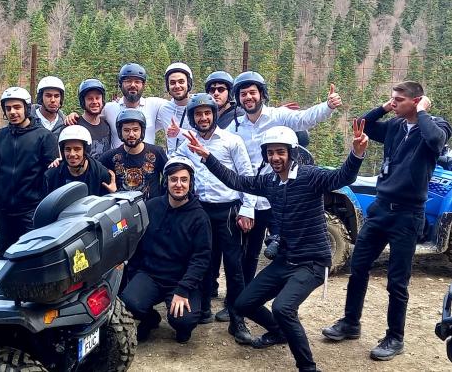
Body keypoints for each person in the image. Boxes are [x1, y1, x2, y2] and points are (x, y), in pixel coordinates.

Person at [184, 122, 368, 372]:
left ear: (292, 152)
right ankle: (278, 332)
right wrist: (207, 157)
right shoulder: (270, 181)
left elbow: (342, 176)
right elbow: (236, 180)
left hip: (312, 262)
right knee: (242, 303)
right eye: (270, 152)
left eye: (280, 152)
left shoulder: (310, 176)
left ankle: (308, 367)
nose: (275, 157)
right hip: (285, 260)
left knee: (283, 308)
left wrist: (356, 153)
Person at [322, 82, 452, 361]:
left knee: (397, 281)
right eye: (391, 99)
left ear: (416, 101)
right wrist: (383, 107)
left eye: (398, 100)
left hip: (408, 214)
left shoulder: (436, 125)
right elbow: (362, 124)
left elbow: (435, 142)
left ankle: (395, 337)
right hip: (381, 209)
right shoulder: (394, 126)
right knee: (358, 268)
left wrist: (423, 112)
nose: (393, 103)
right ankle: (350, 323)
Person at [228, 71, 342, 300]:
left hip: (280, 194)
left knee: (284, 250)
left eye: (253, 92)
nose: (248, 97)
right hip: (252, 194)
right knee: (247, 253)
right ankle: (242, 299)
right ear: (238, 98)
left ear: (262, 94)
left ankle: (284, 302)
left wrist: (327, 107)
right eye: (243, 94)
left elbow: (304, 119)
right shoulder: (235, 126)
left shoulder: (277, 115)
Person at [174, 92, 256, 342]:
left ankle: (237, 319)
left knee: (234, 266)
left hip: (228, 209)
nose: (203, 117)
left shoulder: (231, 140)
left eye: (207, 113)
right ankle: (204, 310)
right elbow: (175, 165)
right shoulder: (186, 143)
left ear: (214, 115)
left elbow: (246, 175)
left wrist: (248, 208)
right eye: (198, 114)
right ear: (193, 117)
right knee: (203, 261)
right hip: (200, 210)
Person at [121, 156, 212, 344]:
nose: (178, 184)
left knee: (183, 320)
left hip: (181, 279)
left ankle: (183, 326)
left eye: (184, 180)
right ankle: (149, 319)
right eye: (173, 179)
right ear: (166, 182)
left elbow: (201, 259)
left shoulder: (200, 217)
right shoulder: (150, 207)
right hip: (150, 275)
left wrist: (183, 289)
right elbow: (136, 245)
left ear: (190, 183)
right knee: (129, 302)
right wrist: (133, 276)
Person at [0, 87, 59, 254]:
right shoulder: (0, 136)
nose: (12, 112)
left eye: (17, 107)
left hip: (31, 210)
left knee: (30, 255)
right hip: (3, 210)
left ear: (26, 108)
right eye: (8, 108)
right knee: (5, 254)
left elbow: (52, 174)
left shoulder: (44, 137)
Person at [67, 63, 167, 147]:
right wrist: (73, 116)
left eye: (137, 81)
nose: (133, 85)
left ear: (143, 85)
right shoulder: (109, 108)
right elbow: (91, 112)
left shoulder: (155, 105)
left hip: (147, 166)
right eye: (128, 81)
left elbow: (177, 106)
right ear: (120, 85)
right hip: (116, 167)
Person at [99, 109, 167, 201]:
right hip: (122, 211)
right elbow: (91, 172)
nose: (131, 134)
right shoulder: (110, 157)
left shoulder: (157, 152)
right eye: (126, 130)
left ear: (142, 131)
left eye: (135, 130)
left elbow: (170, 176)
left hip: (152, 211)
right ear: (120, 132)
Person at [44, 125, 116, 195]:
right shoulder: (53, 174)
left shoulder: (100, 173)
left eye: (77, 149)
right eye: (68, 149)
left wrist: (112, 194)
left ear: (85, 150)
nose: (72, 154)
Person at [156, 62, 194, 155]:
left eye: (181, 82)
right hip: (172, 162)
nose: (177, 86)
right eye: (172, 83)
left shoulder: (199, 107)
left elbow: (206, 137)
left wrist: (180, 132)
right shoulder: (164, 109)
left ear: (188, 83)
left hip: (196, 163)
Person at [75, 78, 111, 159]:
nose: (94, 102)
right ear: (83, 101)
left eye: (97, 98)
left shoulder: (107, 125)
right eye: (90, 98)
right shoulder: (74, 126)